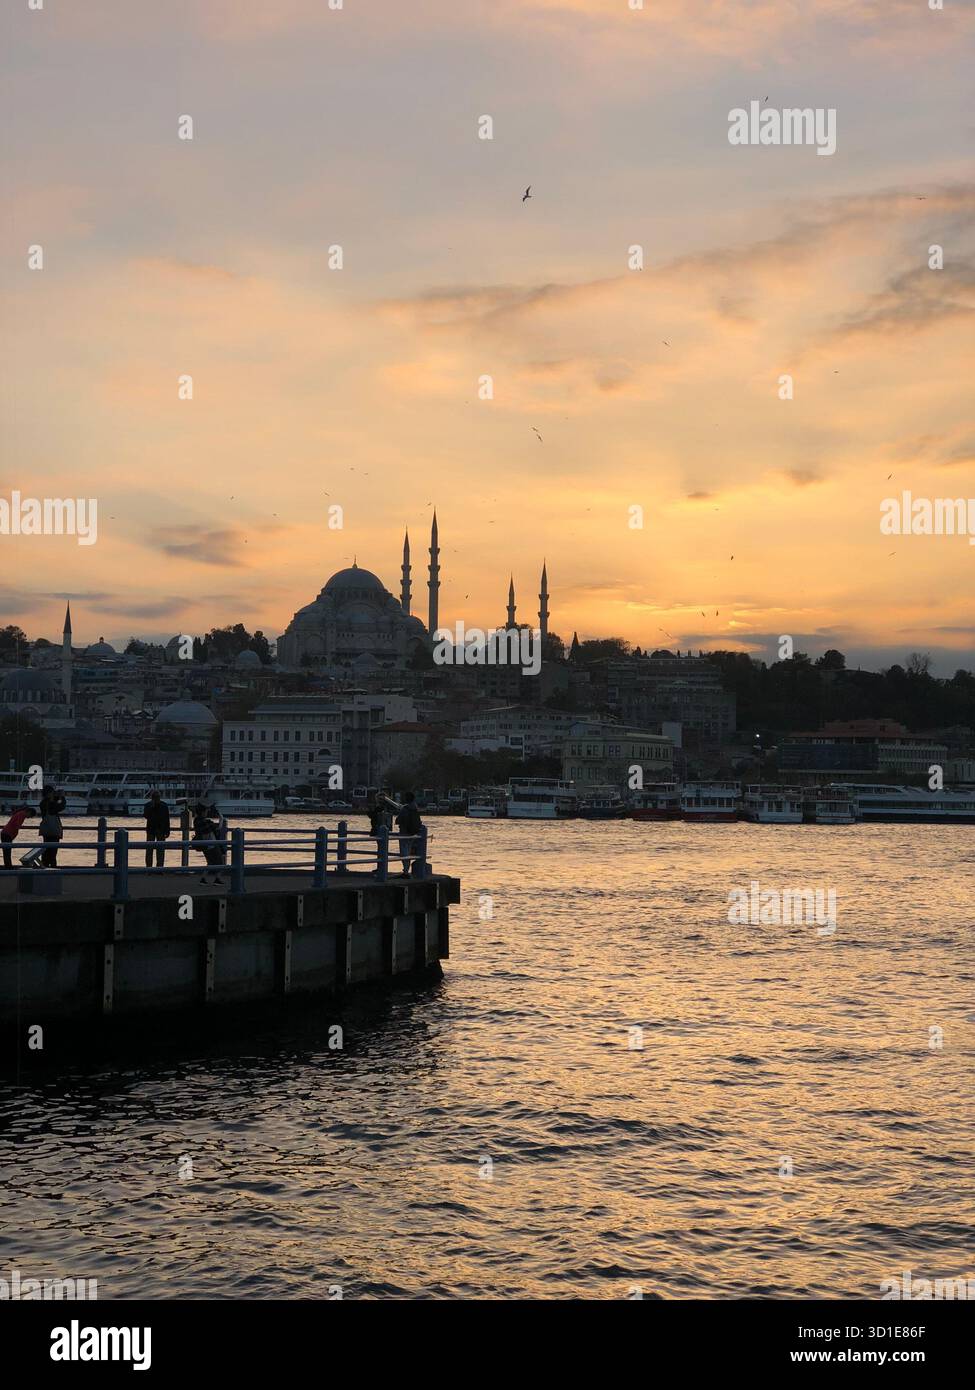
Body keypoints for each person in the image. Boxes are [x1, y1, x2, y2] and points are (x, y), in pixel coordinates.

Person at [192, 802, 225, 886]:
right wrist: (221, 818)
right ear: (202, 812)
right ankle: (217, 879)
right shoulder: (207, 822)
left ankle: (203, 879)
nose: (207, 813)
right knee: (220, 862)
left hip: (203, 845)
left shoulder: (196, 821)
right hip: (212, 844)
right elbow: (218, 827)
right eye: (206, 811)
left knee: (210, 862)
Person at [393, 792, 424, 878]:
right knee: (408, 851)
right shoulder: (415, 808)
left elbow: (398, 820)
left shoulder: (405, 809)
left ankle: (405, 871)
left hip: (404, 832)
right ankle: (406, 870)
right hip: (412, 833)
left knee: (403, 852)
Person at [38, 786, 66, 868]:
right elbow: (61, 806)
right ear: (49, 793)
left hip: (47, 830)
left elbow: (54, 803)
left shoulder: (43, 802)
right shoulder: (50, 803)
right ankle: (52, 868)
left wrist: (57, 797)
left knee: (46, 850)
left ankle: (44, 866)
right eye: (52, 793)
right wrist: (62, 797)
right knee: (53, 852)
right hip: (53, 831)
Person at [143, 790, 171, 868]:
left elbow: (167, 819)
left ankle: (159, 867)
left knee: (160, 850)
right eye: (155, 797)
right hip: (151, 830)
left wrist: (168, 831)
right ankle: (149, 868)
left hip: (160, 830)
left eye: (158, 797)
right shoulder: (148, 805)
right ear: (152, 798)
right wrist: (152, 807)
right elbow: (145, 815)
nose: (156, 799)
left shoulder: (164, 806)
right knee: (149, 850)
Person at [1, 804, 32, 869]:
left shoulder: (20, 813)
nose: (29, 817)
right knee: (7, 851)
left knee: (6, 851)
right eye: (30, 816)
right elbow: (17, 825)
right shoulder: (22, 814)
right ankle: (8, 866)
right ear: (29, 812)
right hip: (7, 834)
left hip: (6, 833)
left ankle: (8, 866)